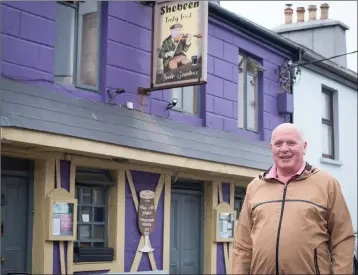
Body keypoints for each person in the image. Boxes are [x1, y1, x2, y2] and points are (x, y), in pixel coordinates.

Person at [232, 123, 355, 274]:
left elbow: (342, 239)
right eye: (278, 143)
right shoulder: (255, 187)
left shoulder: (326, 184)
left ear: (304, 146)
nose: (284, 149)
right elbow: (243, 246)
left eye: (291, 143)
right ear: (272, 148)